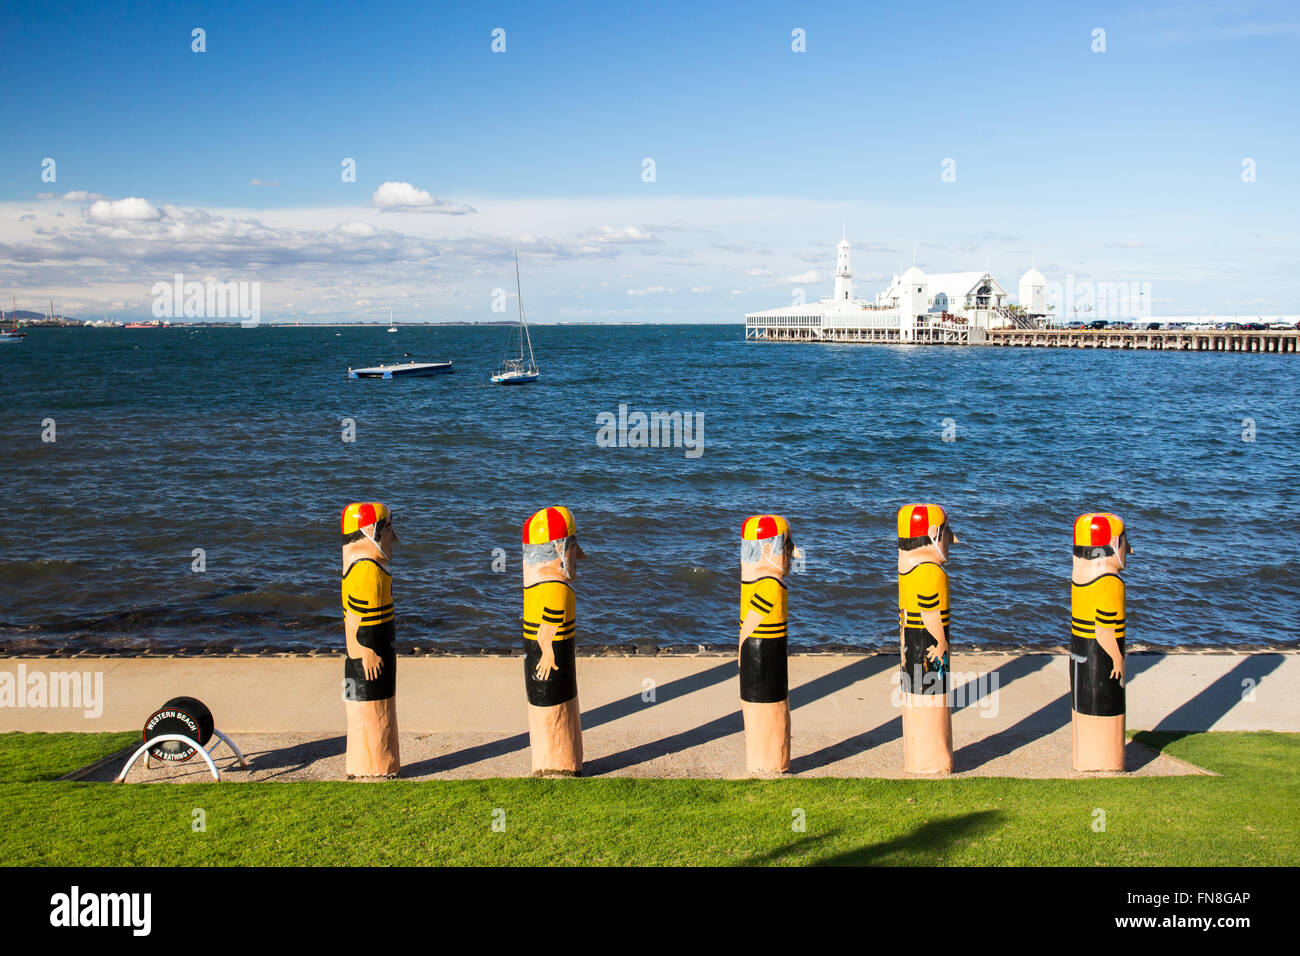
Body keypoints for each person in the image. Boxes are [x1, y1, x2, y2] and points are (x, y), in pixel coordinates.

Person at [522, 506, 585, 776]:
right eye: (573, 544)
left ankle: (555, 760)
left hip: (543, 667)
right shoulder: (555, 586)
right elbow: (547, 627)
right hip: (551, 668)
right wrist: (548, 654)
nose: (579, 553)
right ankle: (558, 763)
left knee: (552, 709)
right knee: (557, 713)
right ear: (559, 548)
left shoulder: (538, 583)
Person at [897, 503, 959, 773]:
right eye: (947, 532)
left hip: (910, 646)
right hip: (928, 647)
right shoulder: (929, 571)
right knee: (930, 695)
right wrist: (942, 643)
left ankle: (921, 755)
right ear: (933, 533)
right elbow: (929, 611)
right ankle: (932, 759)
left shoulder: (908, 568)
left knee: (918, 695)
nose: (952, 539)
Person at [341, 501, 400, 779]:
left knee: (381, 711)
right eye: (388, 528)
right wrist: (364, 652)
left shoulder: (373, 566)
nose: (395, 537)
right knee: (371, 717)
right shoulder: (365, 570)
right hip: (368, 660)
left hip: (377, 655)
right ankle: (370, 767)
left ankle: (375, 763)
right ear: (368, 532)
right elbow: (353, 624)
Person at [739, 514, 803, 774]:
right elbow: (750, 625)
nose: (795, 554)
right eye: (787, 546)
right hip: (763, 658)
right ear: (767, 549)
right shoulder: (769, 586)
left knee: (770, 707)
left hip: (765, 656)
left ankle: (768, 762)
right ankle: (769, 763)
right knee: (768, 710)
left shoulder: (759, 582)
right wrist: (743, 652)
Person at [1070, 512, 1133, 771]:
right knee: (1104, 707)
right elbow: (1104, 630)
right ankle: (1104, 761)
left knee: (1084, 706)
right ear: (1114, 542)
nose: (1130, 549)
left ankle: (1086, 758)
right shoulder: (1109, 583)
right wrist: (1118, 658)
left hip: (1079, 656)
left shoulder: (1080, 579)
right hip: (1100, 658)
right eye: (1125, 542)